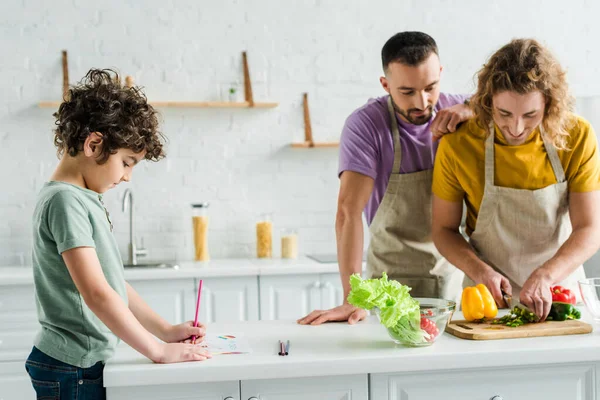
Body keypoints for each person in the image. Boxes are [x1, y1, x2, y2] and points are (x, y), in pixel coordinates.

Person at [25, 69, 211, 400]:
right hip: (72, 367)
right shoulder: (65, 200)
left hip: (80, 363)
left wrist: (165, 332)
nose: (127, 177)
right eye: (127, 162)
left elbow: (112, 284)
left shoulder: (82, 199)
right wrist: (157, 350)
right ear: (94, 144)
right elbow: (97, 294)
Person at [298, 31, 472, 326]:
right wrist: (353, 298)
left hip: (453, 285)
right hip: (388, 290)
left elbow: (500, 99)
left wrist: (472, 107)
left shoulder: (460, 110)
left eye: (431, 87)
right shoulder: (366, 125)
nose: (422, 101)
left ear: (441, 73)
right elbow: (348, 213)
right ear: (385, 84)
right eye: (407, 92)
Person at [432, 38, 600, 321]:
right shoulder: (459, 145)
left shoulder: (577, 136)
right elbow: (443, 230)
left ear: (550, 103)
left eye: (531, 114)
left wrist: (547, 275)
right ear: (487, 102)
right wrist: (479, 270)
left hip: (561, 296)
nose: (516, 128)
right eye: (504, 113)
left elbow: (590, 229)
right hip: (486, 303)